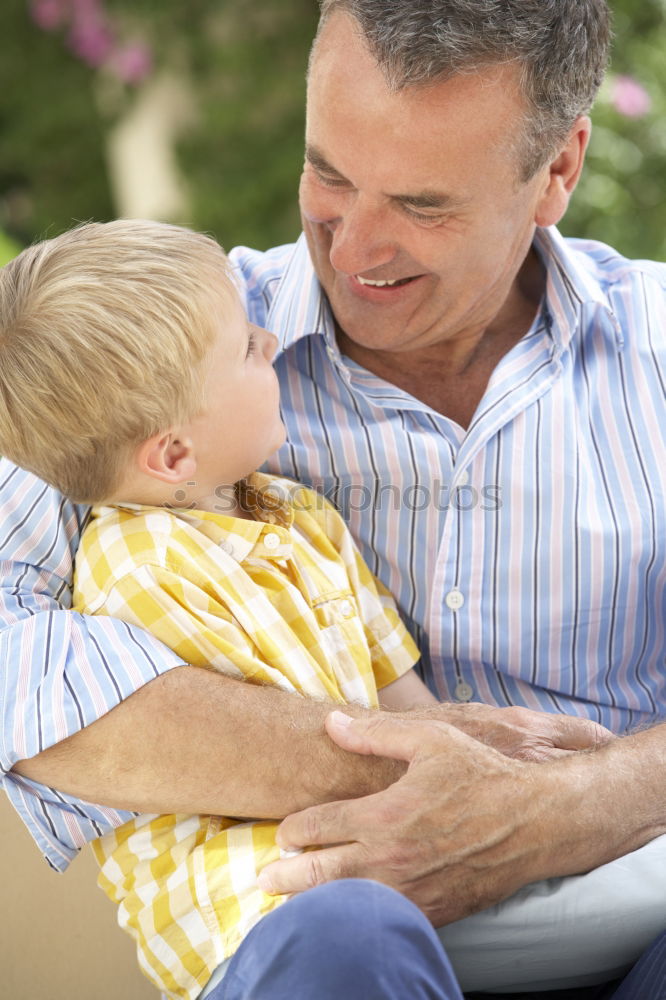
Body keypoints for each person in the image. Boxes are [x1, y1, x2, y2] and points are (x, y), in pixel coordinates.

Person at [1, 0, 665, 997]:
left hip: (631, 930)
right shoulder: (163, 358)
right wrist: (411, 774)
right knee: (344, 942)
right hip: (325, 945)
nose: (354, 246)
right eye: (329, 174)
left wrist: (581, 799)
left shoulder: (654, 346)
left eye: (424, 204)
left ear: (557, 172)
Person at [0, 218, 444, 999]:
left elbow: (409, 702)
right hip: (253, 930)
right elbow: (295, 764)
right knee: (354, 936)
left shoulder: (300, 513)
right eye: (244, 347)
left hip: (387, 881)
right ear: (173, 456)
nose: (272, 342)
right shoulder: (135, 575)